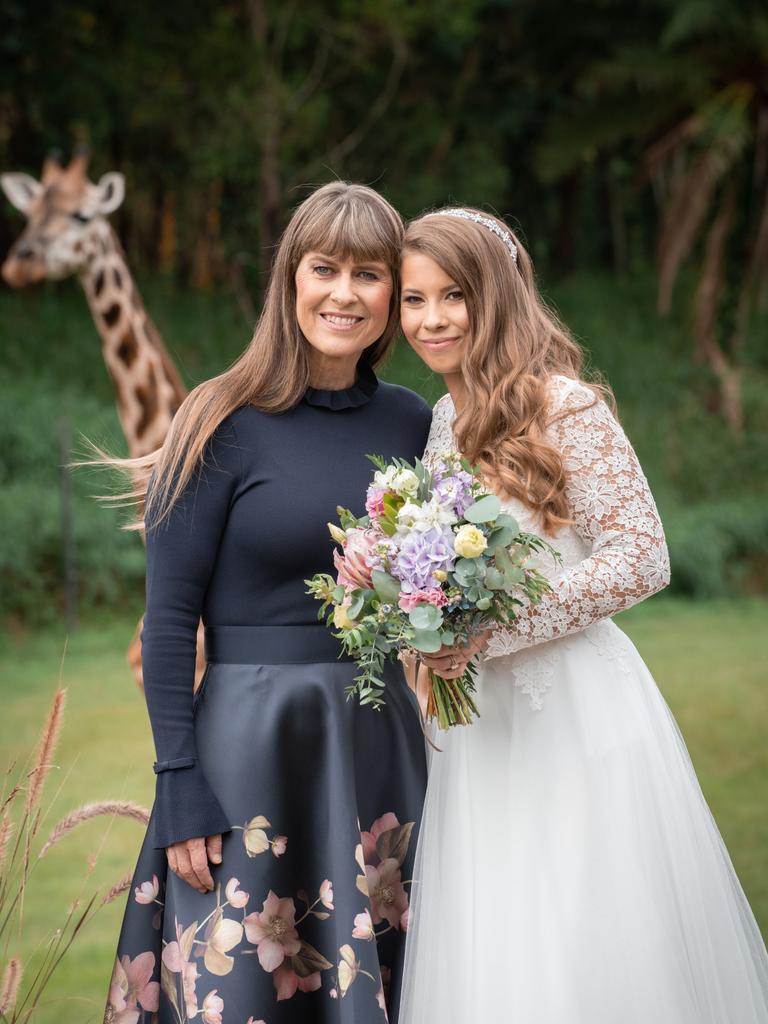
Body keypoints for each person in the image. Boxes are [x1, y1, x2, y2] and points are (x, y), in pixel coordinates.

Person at [397, 207, 768, 1023]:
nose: (430, 319)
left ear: (497, 296)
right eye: (414, 299)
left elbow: (642, 553)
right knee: (499, 945)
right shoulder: (437, 424)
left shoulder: (562, 405)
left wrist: (492, 630)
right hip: (479, 738)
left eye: (452, 295)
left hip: (575, 714)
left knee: (590, 939)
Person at [105, 182, 431, 1024]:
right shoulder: (217, 419)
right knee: (238, 992)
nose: (344, 293)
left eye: (368, 274)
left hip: (375, 745)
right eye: (325, 268)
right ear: (290, 279)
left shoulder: (415, 424)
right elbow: (171, 619)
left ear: (394, 294)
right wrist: (176, 780)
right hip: (243, 752)